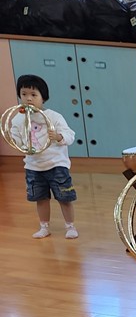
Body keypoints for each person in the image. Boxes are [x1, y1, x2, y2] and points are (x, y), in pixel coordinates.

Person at [10, 75, 79, 239]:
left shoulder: (54, 117)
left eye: (33, 95)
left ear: (43, 97)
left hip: (56, 165)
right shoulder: (18, 119)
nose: (28, 98)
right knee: (40, 199)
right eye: (24, 94)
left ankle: (70, 226)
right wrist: (14, 141)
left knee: (64, 198)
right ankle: (44, 227)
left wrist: (59, 137)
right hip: (33, 166)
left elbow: (70, 135)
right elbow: (16, 140)